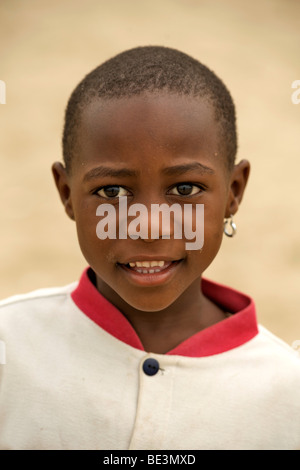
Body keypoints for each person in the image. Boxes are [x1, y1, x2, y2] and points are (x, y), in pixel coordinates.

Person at [0, 46, 299, 450]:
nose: (149, 226)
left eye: (185, 189)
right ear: (67, 194)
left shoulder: (286, 391)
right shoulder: (11, 347)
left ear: (234, 192)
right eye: (112, 191)